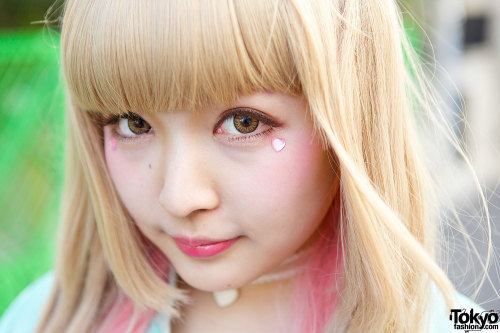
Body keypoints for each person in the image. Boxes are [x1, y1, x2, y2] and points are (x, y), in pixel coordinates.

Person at [0, 0, 486, 332]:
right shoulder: (42, 319)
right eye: (131, 123)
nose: (179, 197)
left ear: (352, 117)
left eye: (244, 121)